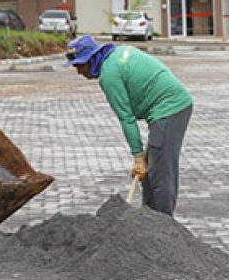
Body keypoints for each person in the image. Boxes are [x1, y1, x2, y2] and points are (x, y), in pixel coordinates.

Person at [65, 34, 193, 216]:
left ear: (91, 58)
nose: (79, 72)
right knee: (149, 174)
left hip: (170, 109)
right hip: (168, 107)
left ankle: (165, 227)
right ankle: (147, 219)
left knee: (161, 173)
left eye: (80, 65)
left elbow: (127, 119)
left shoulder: (109, 75)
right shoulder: (118, 53)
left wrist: (138, 157)